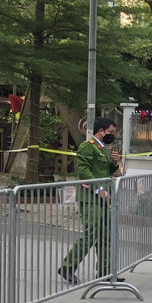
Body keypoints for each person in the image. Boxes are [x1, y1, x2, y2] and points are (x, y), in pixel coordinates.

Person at [59, 116, 121, 283]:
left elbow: (105, 171)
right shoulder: (87, 147)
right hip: (90, 199)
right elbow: (84, 172)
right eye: (110, 132)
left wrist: (114, 163)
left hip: (102, 199)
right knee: (90, 234)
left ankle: (105, 273)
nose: (112, 135)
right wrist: (99, 189)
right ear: (101, 131)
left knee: (105, 236)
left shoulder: (101, 149)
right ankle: (67, 267)